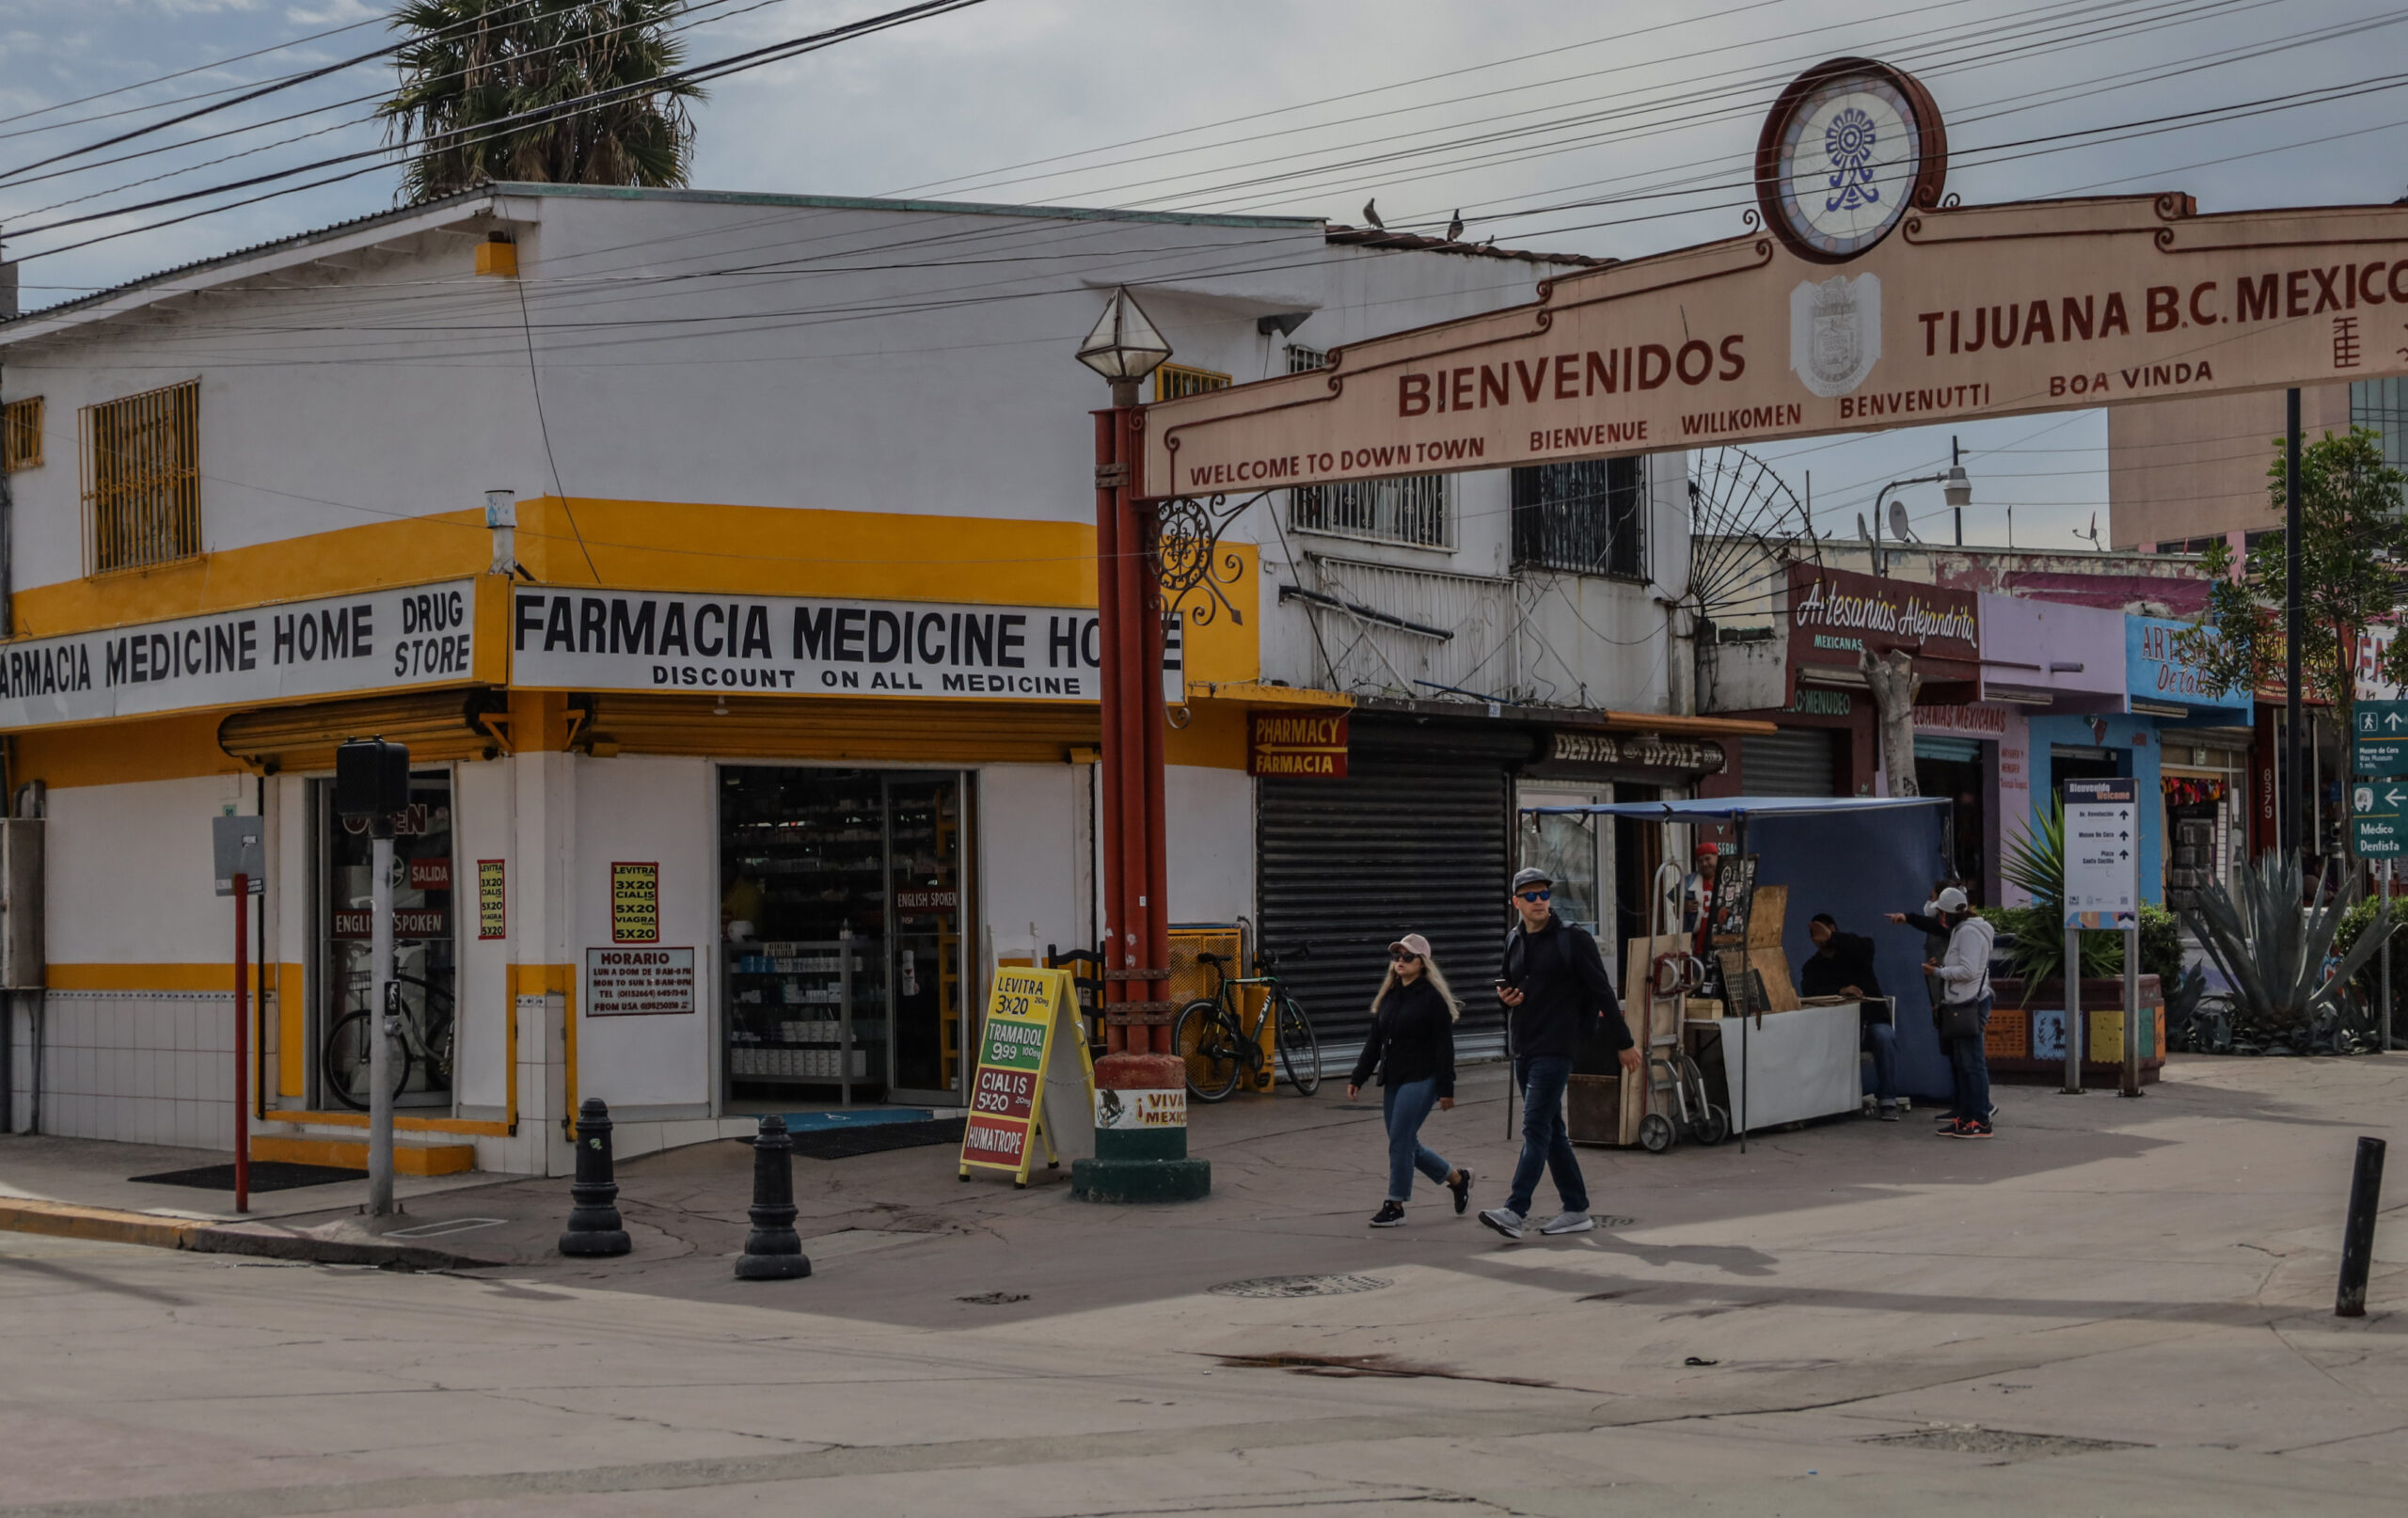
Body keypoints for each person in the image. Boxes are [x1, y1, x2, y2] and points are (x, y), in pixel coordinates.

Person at [1481, 866, 1640, 1241]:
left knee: (1534, 1126)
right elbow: (1507, 984)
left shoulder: (1573, 940)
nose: (1540, 902)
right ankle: (1576, 1209)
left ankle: (1515, 1210)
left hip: (1559, 1046)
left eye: (1544, 895)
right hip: (1525, 1045)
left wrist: (1624, 1041)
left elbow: (1602, 991)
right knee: (1552, 1131)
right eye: (1531, 896)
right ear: (1516, 902)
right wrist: (1505, 999)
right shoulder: (1513, 940)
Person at [1346, 933, 1472, 1227]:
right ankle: (1457, 1179)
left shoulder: (1433, 999)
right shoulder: (1390, 996)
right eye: (1397, 956)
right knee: (1404, 1142)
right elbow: (1375, 1040)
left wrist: (1446, 1088)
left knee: (1400, 1141)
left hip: (1423, 1077)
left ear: (1423, 963)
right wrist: (1358, 1076)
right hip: (1394, 1077)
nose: (1400, 961)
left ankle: (1395, 1204)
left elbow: (1444, 1046)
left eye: (1407, 957)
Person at [1802, 912, 1899, 1120]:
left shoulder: (1856, 953)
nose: (1822, 940)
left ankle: (1888, 1099)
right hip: (1835, 1028)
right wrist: (1840, 990)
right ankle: (1827, 1103)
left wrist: (1833, 938)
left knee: (1884, 1036)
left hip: (1870, 1021)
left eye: (1827, 933)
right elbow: (1810, 991)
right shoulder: (1812, 967)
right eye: (1818, 936)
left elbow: (1866, 946)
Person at [1923, 886, 1997, 1139]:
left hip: (1968, 1004)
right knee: (1964, 1063)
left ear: (1953, 912)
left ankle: (1980, 1120)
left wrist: (1939, 973)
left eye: (1942, 913)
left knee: (1973, 1064)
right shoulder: (1965, 929)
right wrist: (1943, 966)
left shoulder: (1968, 933)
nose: (1940, 918)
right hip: (1964, 1002)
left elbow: (1968, 971)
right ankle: (1966, 1117)